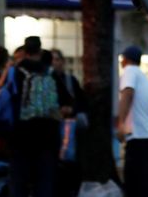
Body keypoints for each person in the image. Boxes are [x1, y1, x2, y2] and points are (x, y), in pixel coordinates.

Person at [8, 36, 73, 197]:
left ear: (25, 51)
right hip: (48, 137)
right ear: (40, 50)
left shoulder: (16, 71)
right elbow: (68, 104)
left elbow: (5, 98)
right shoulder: (50, 73)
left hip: (21, 135)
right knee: (45, 182)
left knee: (19, 182)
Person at [116, 45, 148, 197]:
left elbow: (127, 93)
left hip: (139, 137)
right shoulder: (145, 79)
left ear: (126, 60)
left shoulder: (129, 71)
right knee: (147, 183)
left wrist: (121, 123)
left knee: (134, 184)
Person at [51, 48, 87, 197]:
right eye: (52, 60)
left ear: (63, 62)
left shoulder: (70, 80)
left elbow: (82, 102)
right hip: (53, 132)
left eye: (57, 59)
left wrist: (71, 109)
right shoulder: (47, 81)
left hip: (69, 132)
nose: (55, 63)